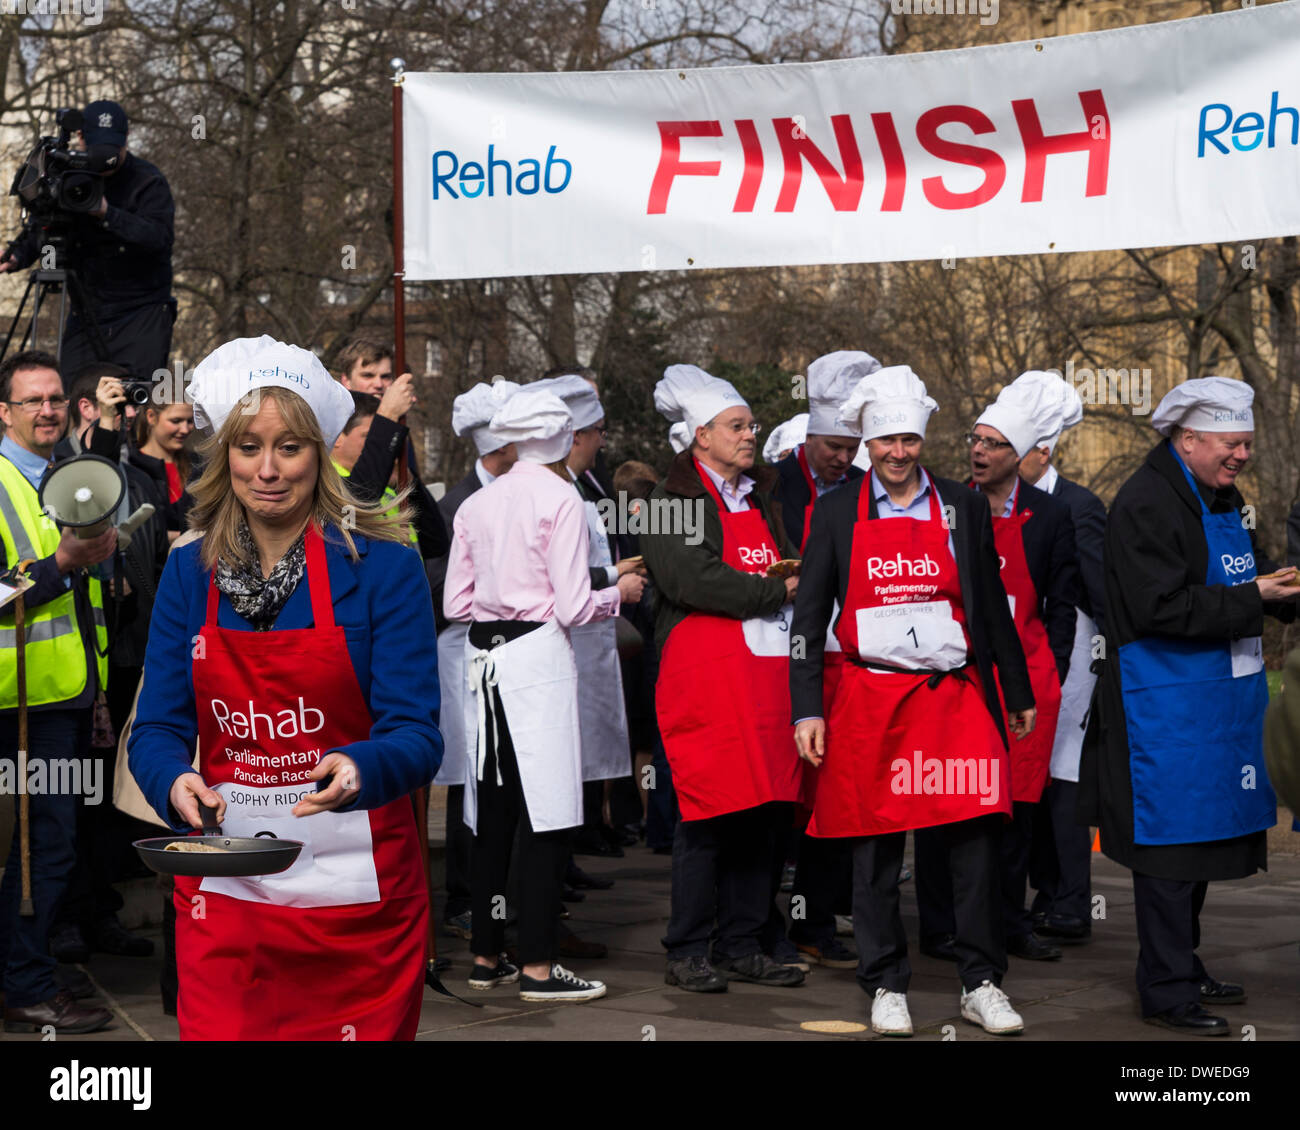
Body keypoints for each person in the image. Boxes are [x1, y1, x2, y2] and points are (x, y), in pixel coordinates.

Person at [128, 336, 442, 1040]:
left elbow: (418, 735)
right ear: (224, 458)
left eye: (290, 448)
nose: (268, 470)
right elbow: (156, 729)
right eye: (248, 448)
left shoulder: (383, 569)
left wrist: (364, 764)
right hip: (229, 894)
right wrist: (174, 782)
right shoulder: (188, 574)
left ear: (319, 457)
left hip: (357, 903)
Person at [790, 364, 1036, 1037]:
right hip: (872, 698)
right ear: (866, 444)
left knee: (974, 843)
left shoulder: (961, 503)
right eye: (885, 442)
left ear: (923, 441)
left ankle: (980, 981)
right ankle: (884, 981)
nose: (898, 454)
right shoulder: (836, 510)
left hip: (953, 698)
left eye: (909, 441)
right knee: (873, 849)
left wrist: (1014, 690)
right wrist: (805, 708)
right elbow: (807, 620)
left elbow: (988, 608)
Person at [1079, 376, 1296, 1036]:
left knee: (1201, 843)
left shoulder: (1220, 496)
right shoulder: (1146, 502)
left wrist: (1281, 591)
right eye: (1231, 444)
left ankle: (1184, 964)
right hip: (1164, 710)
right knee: (1170, 851)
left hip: (1218, 703)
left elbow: (1243, 584)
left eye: (1247, 445)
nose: (1241, 457)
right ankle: (1167, 990)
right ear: (1189, 438)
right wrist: (1255, 594)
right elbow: (1158, 607)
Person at [444, 387, 642, 1002]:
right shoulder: (562, 498)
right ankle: (536, 965)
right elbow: (577, 605)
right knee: (549, 813)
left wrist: (500, 608)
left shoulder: (478, 505)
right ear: (558, 438)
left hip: (484, 660)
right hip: (537, 659)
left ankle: (485, 954)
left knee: (493, 813)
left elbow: (453, 603)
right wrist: (619, 595)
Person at [641, 363, 805, 993]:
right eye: (737, 426)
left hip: (764, 679)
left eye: (751, 425)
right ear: (699, 436)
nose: (749, 435)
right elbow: (691, 581)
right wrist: (776, 586)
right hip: (704, 677)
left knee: (763, 813)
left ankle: (742, 942)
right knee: (707, 815)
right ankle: (686, 949)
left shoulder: (759, 494)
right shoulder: (665, 503)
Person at [914, 374, 1081, 965]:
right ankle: (939, 926)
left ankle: (1010, 922)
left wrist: (1050, 670)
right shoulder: (944, 504)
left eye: (994, 444)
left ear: (1024, 456)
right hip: (957, 680)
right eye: (975, 439)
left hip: (1027, 681)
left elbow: (1064, 606)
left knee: (1016, 811)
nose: (978, 452)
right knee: (944, 805)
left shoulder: (1052, 515)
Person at [0, 350, 114, 1034]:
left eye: (55, 399)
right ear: (4, 412)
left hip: (61, 697)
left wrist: (94, 692)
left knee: (50, 846)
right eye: (32, 400)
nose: (47, 410)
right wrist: (57, 566)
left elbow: (86, 605)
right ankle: (25, 985)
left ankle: (27, 965)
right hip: (14, 703)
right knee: (38, 846)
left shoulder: (68, 478)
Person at [47, 364, 168, 966]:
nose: (119, 410)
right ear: (85, 407)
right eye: (106, 401)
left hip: (112, 659)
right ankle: (65, 922)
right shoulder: (66, 470)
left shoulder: (138, 476)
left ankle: (97, 913)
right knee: (65, 806)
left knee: (97, 805)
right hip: (54, 675)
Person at [772, 352, 878, 971]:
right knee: (781, 799)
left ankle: (816, 917)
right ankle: (763, 925)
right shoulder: (773, 485)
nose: (843, 457)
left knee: (836, 794)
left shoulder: (865, 490)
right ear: (809, 435)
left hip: (848, 655)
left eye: (851, 446)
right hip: (783, 649)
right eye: (834, 446)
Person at [531, 373, 647, 858]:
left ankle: (572, 851)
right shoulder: (556, 491)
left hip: (589, 636)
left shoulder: (582, 484)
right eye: (597, 431)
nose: (603, 441)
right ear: (576, 435)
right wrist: (613, 582)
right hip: (563, 639)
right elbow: (565, 579)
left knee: (585, 748)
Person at [1016, 372, 1108, 945]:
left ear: (1042, 450)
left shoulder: (1079, 504)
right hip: (1023, 651)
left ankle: (1072, 902)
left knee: (1066, 776)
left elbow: (1098, 587)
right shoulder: (992, 502)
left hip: (1073, 656)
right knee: (1032, 775)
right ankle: (1044, 891)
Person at [427, 378, 520, 944]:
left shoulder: (510, 494)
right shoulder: (455, 504)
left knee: (499, 774)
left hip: (502, 654)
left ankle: (496, 891)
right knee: (468, 775)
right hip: (464, 655)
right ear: (500, 447)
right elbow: (438, 586)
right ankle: (465, 897)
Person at [1, 101, 175, 381]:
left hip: (141, 313)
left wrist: (106, 213)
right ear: (80, 138)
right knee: (74, 395)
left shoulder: (148, 181)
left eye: (112, 149)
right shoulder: (67, 174)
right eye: (98, 148)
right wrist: (17, 255)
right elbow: (45, 221)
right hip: (87, 310)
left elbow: (159, 238)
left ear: (125, 139)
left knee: (134, 405)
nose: (105, 158)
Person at [334, 336, 449, 562]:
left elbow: (434, 539)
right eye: (368, 375)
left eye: (386, 376)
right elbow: (355, 506)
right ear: (346, 381)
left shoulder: (397, 429)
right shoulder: (332, 429)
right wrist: (387, 419)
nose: (378, 384)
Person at [132, 399, 195, 539]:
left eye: (190, 421)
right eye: (176, 421)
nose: (185, 429)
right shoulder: (131, 467)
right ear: (151, 417)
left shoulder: (198, 465)